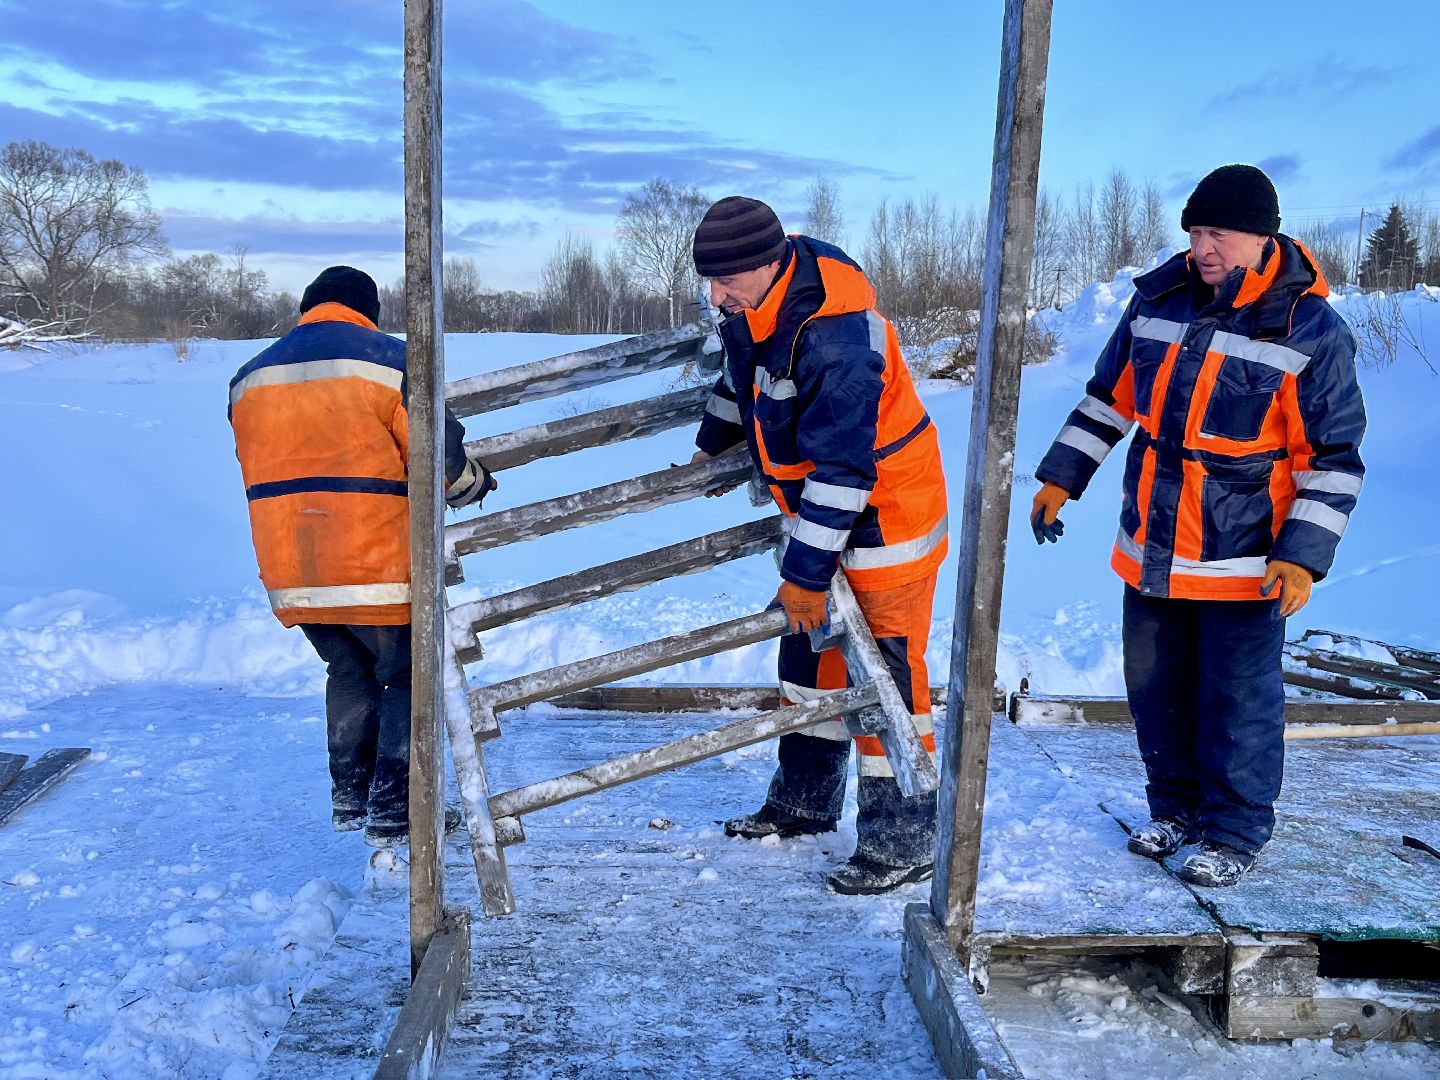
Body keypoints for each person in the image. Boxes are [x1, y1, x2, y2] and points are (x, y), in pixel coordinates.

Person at [1031, 165, 1366, 887]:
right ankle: (1175, 810)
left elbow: (1333, 459)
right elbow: (1107, 401)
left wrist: (1302, 557)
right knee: (1157, 693)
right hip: (1151, 549)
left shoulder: (1310, 329)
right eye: (1194, 231)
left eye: (1217, 233)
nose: (1201, 247)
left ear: (1260, 235)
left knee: (1237, 703)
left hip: (1243, 563)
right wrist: (1063, 476)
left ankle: (1235, 831)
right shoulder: (1160, 301)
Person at [688, 196, 949, 895]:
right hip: (817, 516)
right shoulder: (762, 297)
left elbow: (845, 470)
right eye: (708, 281)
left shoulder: (835, 338)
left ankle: (905, 837)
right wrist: (712, 445)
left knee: (887, 686)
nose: (716, 297)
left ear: (770, 265)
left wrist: (806, 575)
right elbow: (742, 376)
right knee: (808, 662)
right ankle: (803, 803)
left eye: (728, 282)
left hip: (883, 519)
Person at [228, 266, 495, 848]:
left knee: (346, 669)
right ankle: (396, 809)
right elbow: (435, 457)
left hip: (292, 568)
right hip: (374, 563)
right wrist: (472, 481)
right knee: (403, 676)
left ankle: (351, 797)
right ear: (368, 310)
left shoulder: (248, 378)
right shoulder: (391, 361)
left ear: (308, 306)